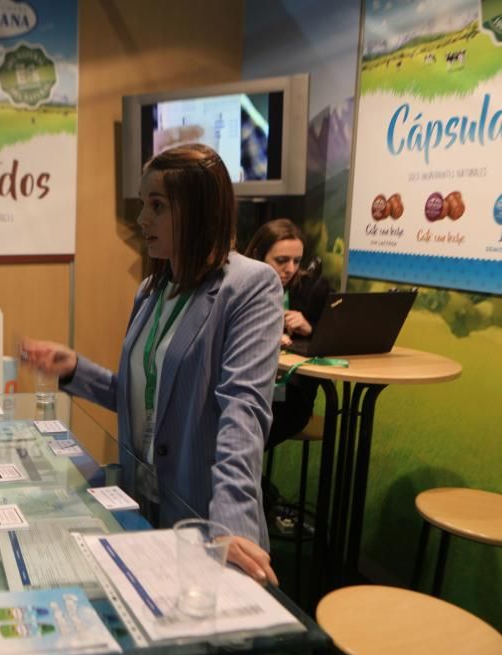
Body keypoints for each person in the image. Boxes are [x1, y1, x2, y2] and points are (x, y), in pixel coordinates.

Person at [23, 144, 282, 585]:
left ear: (198, 210)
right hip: (140, 501)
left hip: (202, 516)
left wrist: (231, 527)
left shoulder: (251, 286)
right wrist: (74, 370)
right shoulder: (151, 289)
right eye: (143, 204)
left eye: (157, 206)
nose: (142, 219)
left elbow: (243, 412)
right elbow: (146, 397)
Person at [244, 218, 331, 447]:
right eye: (281, 260)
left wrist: (310, 328)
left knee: (247, 433)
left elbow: (335, 339)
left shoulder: (314, 288)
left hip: (289, 396)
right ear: (257, 255)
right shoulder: (239, 287)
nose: (290, 269)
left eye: (297, 261)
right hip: (245, 386)